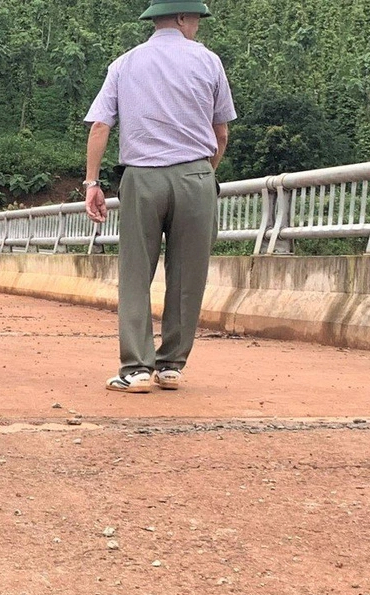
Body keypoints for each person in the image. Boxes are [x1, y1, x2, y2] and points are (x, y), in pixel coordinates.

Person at [84, 1, 234, 391]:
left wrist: (92, 183)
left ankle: (135, 368)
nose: (197, 26)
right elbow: (221, 134)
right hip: (195, 175)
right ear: (184, 18)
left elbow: (101, 125)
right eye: (197, 19)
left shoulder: (125, 63)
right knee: (188, 275)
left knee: (135, 273)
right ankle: (170, 365)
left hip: (141, 178)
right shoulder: (209, 62)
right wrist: (200, 174)